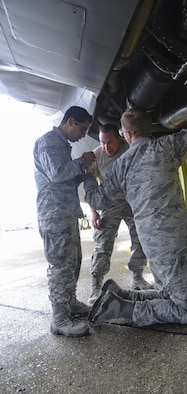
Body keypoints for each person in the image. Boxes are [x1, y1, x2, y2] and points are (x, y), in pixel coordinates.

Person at [84, 108, 187, 326]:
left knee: (171, 292)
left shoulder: (121, 165)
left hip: (153, 243)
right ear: (149, 130)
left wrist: (89, 174)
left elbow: (96, 199)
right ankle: (120, 308)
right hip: (173, 240)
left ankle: (122, 295)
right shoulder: (166, 147)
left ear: (127, 134)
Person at [33, 106, 96, 337]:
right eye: (83, 129)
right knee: (60, 266)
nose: (83, 135)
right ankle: (59, 319)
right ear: (71, 121)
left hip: (66, 214)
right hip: (54, 215)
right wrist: (82, 162)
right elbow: (56, 173)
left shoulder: (61, 144)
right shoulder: (48, 142)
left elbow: (64, 180)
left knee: (72, 262)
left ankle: (69, 304)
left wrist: (83, 172)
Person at [87, 123, 154, 306]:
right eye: (103, 143)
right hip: (109, 203)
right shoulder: (97, 155)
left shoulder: (130, 148)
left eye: (110, 142)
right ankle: (96, 287)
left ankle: (138, 278)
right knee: (102, 244)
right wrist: (93, 213)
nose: (106, 147)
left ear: (120, 138)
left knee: (140, 239)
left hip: (132, 201)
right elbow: (91, 186)